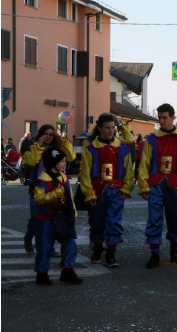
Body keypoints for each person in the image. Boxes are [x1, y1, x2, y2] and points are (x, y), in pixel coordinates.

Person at [137, 103, 177, 269]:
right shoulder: (151, 139)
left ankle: (174, 251)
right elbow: (144, 165)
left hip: (175, 185)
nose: (161, 121)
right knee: (154, 219)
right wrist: (144, 187)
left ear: (172, 117)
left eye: (164, 118)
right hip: (155, 184)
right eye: (159, 118)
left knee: (176, 219)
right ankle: (155, 253)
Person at [79, 113, 135, 267]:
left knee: (114, 222)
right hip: (97, 190)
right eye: (107, 128)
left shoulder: (122, 148)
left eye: (113, 128)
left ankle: (111, 254)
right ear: (99, 128)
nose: (111, 131)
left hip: (116, 190)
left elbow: (129, 171)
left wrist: (126, 189)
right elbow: (84, 173)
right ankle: (97, 248)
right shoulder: (90, 148)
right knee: (97, 222)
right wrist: (89, 194)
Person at [22, 125, 76, 254]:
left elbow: (71, 157)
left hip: (54, 185)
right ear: (40, 135)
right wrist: (39, 144)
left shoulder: (57, 149)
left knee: (52, 217)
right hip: (38, 187)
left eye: (52, 134)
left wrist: (63, 142)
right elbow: (32, 160)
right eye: (46, 134)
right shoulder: (34, 148)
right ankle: (29, 237)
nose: (49, 137)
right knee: (37, 217)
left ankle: (49, 248)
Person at [33, 147, 82, 285]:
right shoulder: (42, 179)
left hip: (62, 218)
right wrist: (55, 193)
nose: (64, 163)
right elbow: (38, 199)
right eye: (61, 161)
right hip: (45, 219)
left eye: (65, 160)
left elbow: (69, 197)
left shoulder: (64, 177)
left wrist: (73, 213)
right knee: (44, 247)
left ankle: (68, 270)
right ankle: (42, 274)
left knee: (69, 242)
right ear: (53, 162)